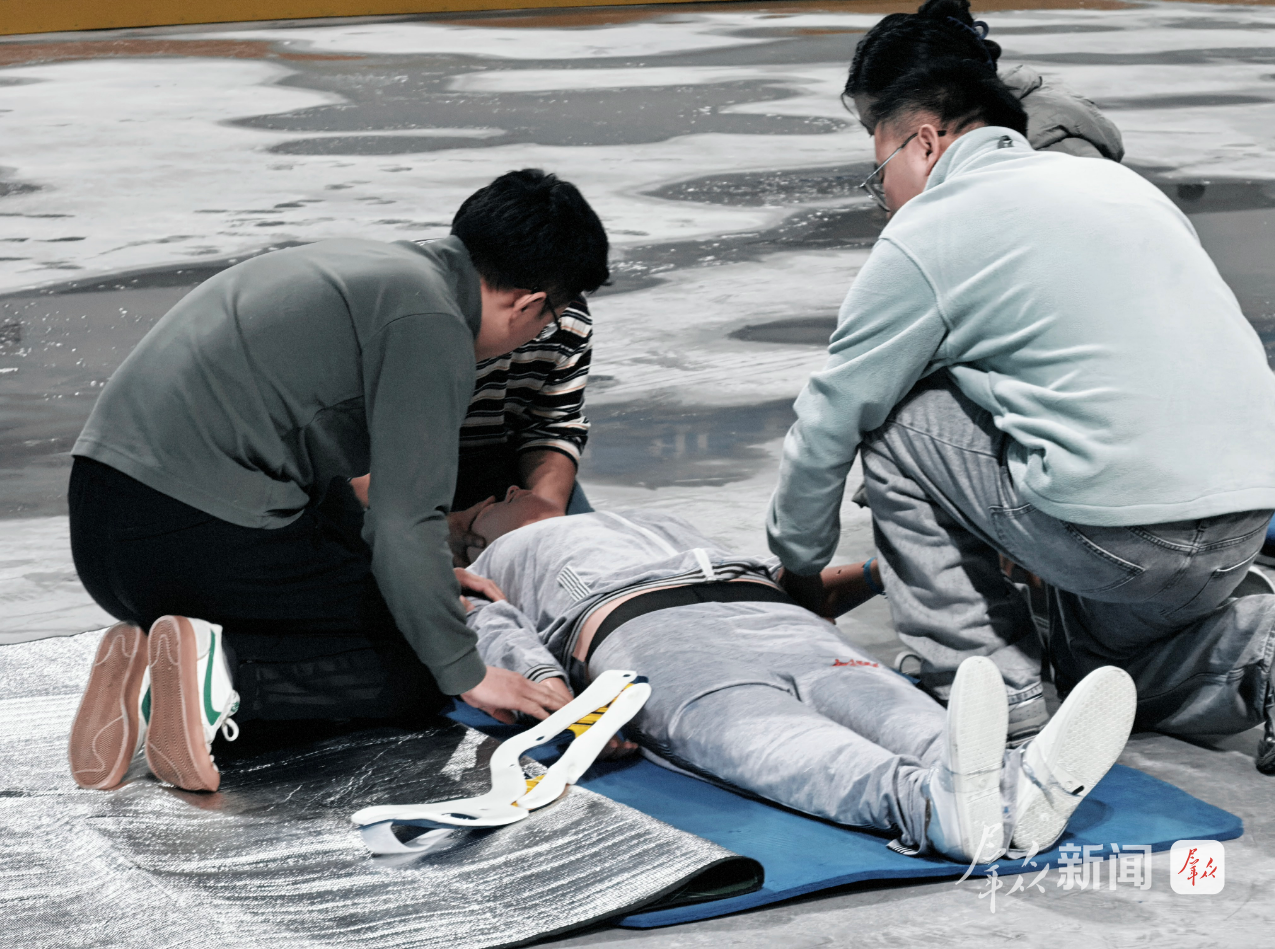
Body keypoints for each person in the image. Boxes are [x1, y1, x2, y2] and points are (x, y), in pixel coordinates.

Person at [766, 59, 1275, 773]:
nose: (882, 196)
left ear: (924, 143)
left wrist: (798, 567)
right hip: (1243, 519)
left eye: (878, 170)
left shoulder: (934, 226)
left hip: (1119, 534)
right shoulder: (1122, 187)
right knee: (1100, 676)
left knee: (896, 421)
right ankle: (1261, 651)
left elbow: (832, 416)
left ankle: (994, 700)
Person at [66, 169, 609, 793]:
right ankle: (224, 679)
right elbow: (404, 523)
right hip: (189, 536)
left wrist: (425, 577)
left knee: (411, 605)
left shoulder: (373, 270)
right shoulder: (432, 324)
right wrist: (467, 672)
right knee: (421, 665)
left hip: (106, 530)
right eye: (551, 318)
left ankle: (154, 669)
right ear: (529, 304)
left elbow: (320, 483)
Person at [458, 488, 1137, 863]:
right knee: (780, 736)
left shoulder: (654, 517)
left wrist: (878, 570)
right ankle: (932, 810)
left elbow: (801, 587)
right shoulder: (492, 561)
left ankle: (1017, 786)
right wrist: (558, 699)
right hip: (655, 636)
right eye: (490, 500)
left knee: (904, 715)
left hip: (777, 614)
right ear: (472, 535)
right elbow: (490, 628)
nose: (512, 490)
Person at [845, 0, 1123, 161]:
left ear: (944, 96)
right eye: (872, 133)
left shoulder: (1055, 158)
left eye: (886, 130)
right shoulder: (951, 150)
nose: (881, 151)